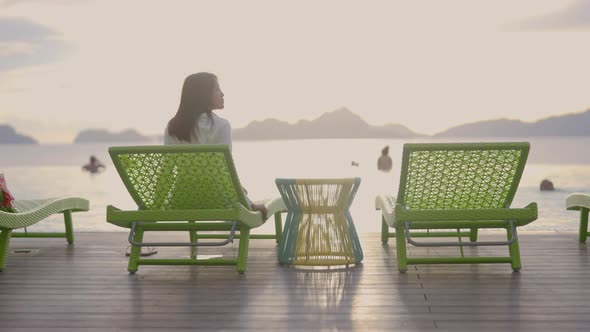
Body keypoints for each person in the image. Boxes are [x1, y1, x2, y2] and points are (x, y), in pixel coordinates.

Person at [164, 72, 268, 219]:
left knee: (240, 190)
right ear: (204, 94)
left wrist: (152, 207)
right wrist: (248, 203)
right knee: (241, 192)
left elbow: (166, 173)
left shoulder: (172, 127)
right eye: (217, 90)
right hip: (219, 201)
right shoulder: (222, 126)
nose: (223, 94)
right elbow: (225, 172)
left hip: (182, 201)